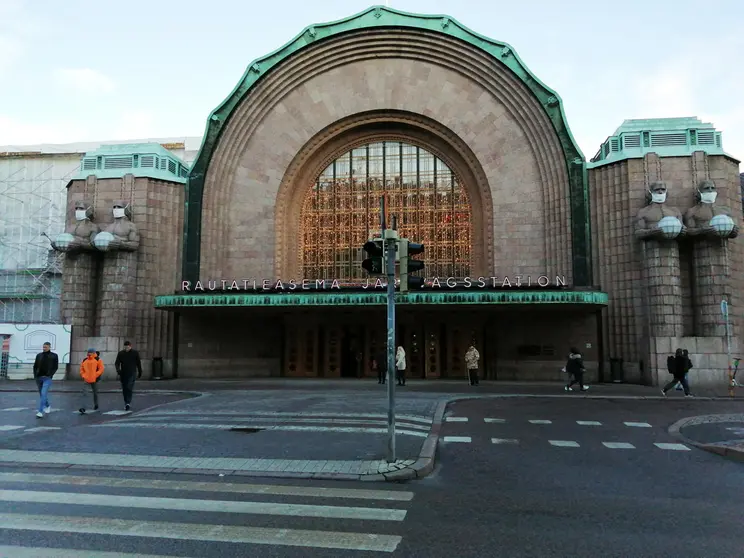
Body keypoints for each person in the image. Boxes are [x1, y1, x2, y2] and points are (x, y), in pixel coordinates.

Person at [32, 342, 58, 419]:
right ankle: (47, 405)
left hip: (47, 378)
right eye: (43, 347)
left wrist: (50, 375)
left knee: (43, 393)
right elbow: (35, 366)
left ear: (49, 347)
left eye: (46, 347)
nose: (44, 348)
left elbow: (55, 367)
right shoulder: (39, 355)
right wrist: (35, 375)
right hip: (39, 377)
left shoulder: (54, 356)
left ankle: (40, 411)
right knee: (41, 394)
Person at [115, 340, 143, 411]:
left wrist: (140, 372)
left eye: (128, 347)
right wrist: (118, 370)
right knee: (124, 388)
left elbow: (138, 363)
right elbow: (117, 363)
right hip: (123, 373)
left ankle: (128, 402)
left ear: (130, 346)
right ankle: (126, 402)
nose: (127, 348)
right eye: (125, 347)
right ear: (124, 347)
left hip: (132, 372)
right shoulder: (121, 353)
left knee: (129, 387)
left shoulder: (135, 353)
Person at [79, 348, 104, 414]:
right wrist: (83, 375)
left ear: (93, 353)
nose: (89, 353)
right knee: (85, 393)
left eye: (90, 352)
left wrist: (95, 375)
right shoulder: (85, 360)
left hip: (95, 379)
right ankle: (83, 408)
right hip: (86, 379)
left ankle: (96, 404)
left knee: (95, 393)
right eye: (88, 352)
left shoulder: (98, 360)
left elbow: (101, 369)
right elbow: (81, 368)